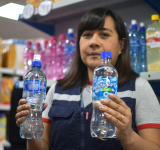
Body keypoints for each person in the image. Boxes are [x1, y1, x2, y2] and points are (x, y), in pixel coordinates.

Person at [15, 7, 160, 150]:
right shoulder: (58, 90)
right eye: (87, 35)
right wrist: (30, 129)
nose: (93, 42)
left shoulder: (138, 88)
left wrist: (129, 137)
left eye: (104, 34)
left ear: (121, 45)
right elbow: (42, 146)